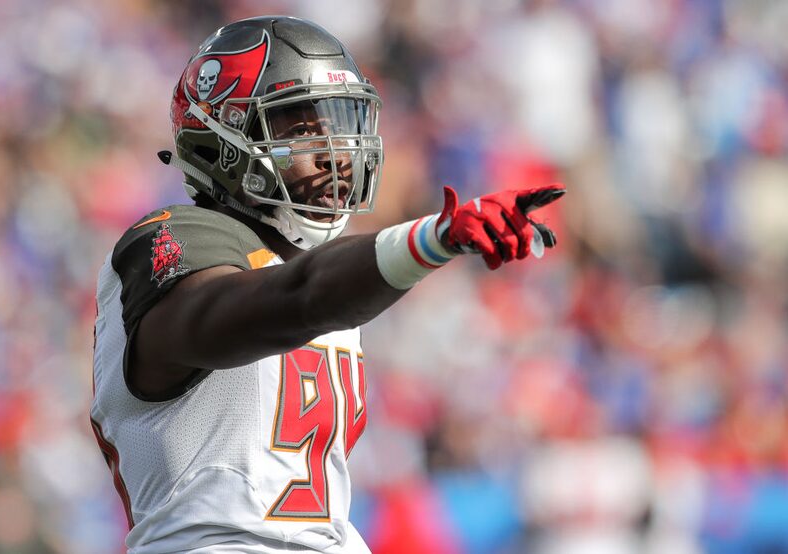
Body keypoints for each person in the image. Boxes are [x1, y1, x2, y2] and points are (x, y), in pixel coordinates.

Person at [90, 15, 565, 554]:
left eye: (342, 123)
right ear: (221, 138)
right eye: (301, 128)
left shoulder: (323, 269)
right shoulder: (174, 237)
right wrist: (428, 241)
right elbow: (291, 299)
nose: (337, 151)